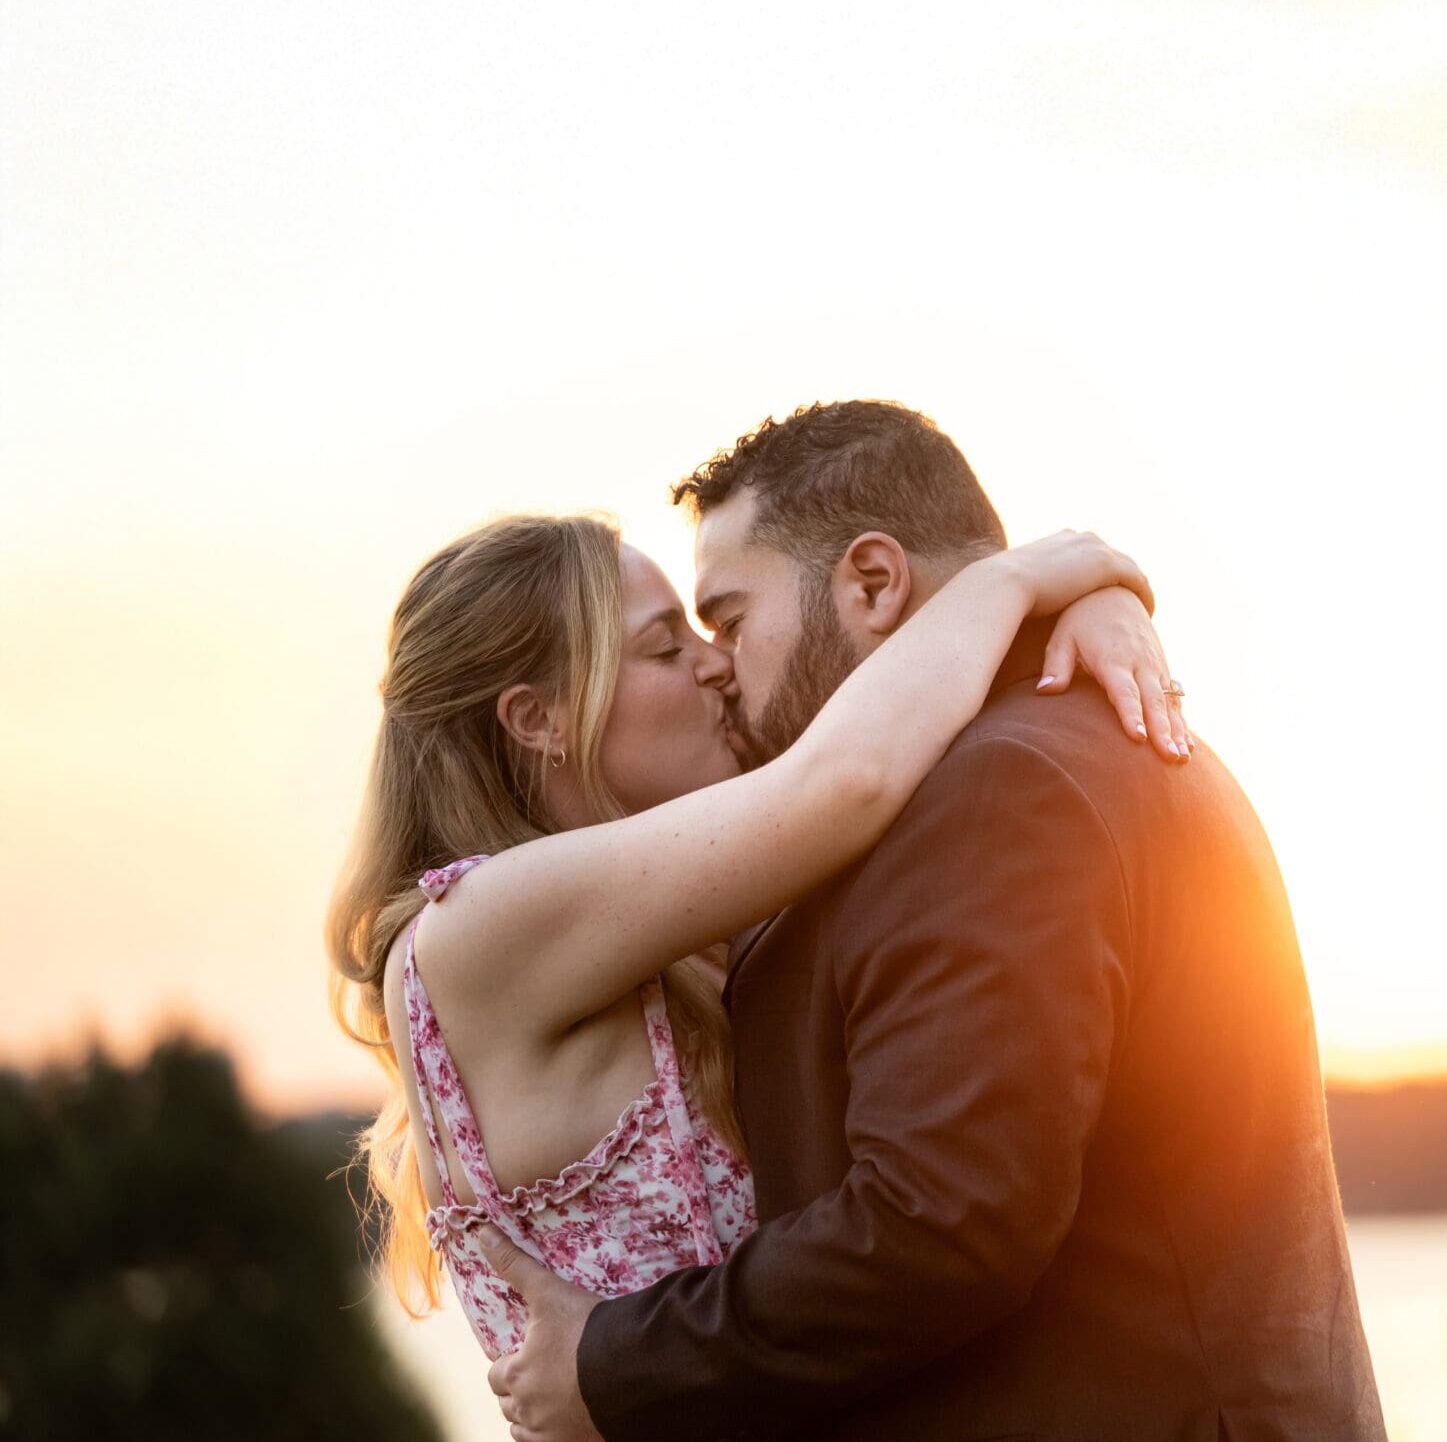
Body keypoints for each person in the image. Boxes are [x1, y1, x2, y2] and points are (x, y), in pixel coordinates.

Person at [481, 400, 1387, 1441]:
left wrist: (617, 1357)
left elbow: (939, 1219)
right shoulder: (1043, 749)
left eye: (729, 618)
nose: (718, 662)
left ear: (872, 582)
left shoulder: (999, 788)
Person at [327, 502, 1185, 1367]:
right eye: (667, 648)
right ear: (537, 720)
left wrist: (1084, 613)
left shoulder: (659, 935)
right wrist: (1021, 579)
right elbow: (848, 774)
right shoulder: (477, 928)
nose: (718, 665)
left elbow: (869, 736)